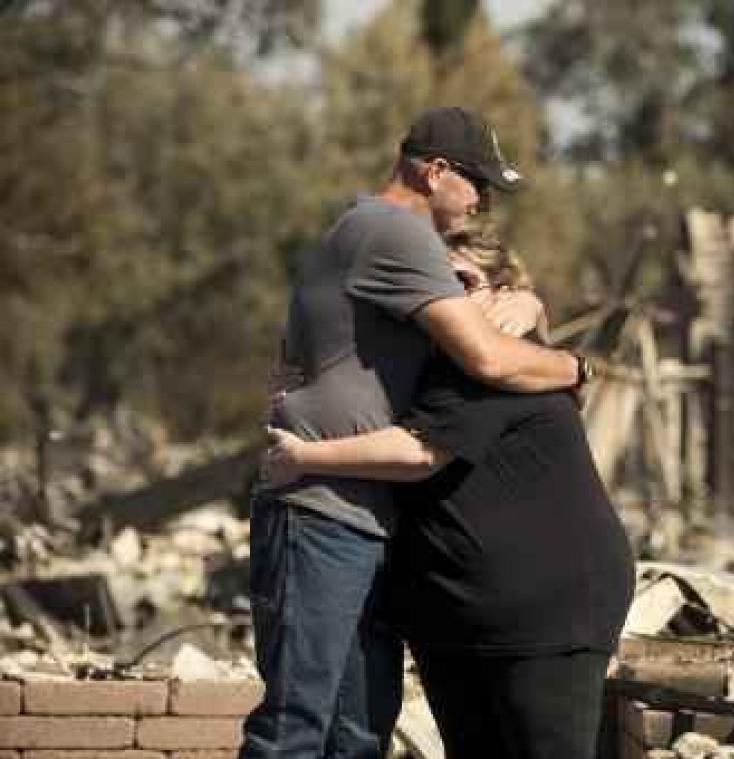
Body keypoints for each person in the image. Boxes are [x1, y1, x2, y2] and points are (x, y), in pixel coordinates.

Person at [239, 107, 592, 759]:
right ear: (434, 172)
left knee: (357, 732)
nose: (482, 202)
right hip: (319, 509)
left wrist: (527, 301)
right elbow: (486, 357)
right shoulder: (394, 233)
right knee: (294, 727)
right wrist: (575, 365)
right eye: (477, 185)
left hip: (359, 517)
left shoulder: (371, 232)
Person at [262, 229, 635, 759]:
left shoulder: (498, 362)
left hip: (546, 613)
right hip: (456, 616)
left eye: (460, 280)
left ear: (500, 292)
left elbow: (419, 453)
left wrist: (303, 458)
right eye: (427, 284)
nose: (439, 298)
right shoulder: (416, 363)